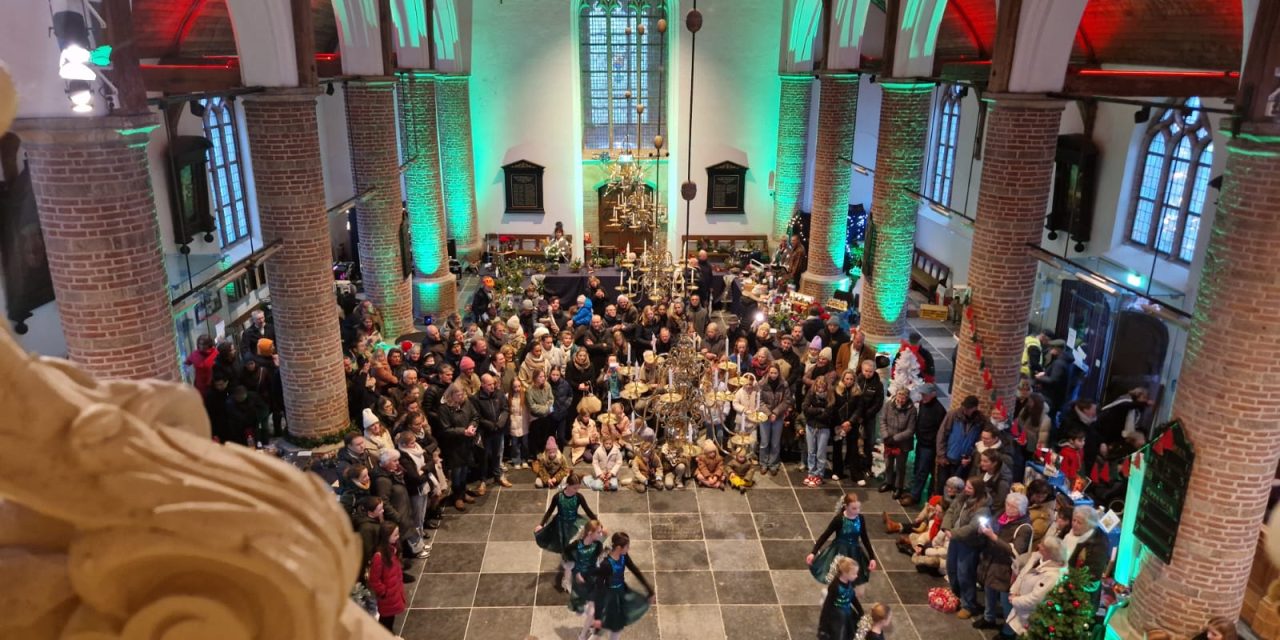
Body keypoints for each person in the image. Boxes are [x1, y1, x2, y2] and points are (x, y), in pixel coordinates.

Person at [974, 492, 1034, 630]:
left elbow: (1015, 551)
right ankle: (989, 618)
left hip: (1006, 568)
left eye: (1013, 507)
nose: (1008, 508)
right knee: (989, 591)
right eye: (1007, 504)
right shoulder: (1001, 516)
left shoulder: (1024, 527)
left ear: (1021, 510)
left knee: (1005, 600)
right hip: (991, 562)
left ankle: (1008, 630)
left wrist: (993, 537)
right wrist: (983, 531)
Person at [585, 531, 655, 640]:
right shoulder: (606, 565)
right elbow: (599, 588)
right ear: (618, 548)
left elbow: (634, 570)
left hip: (621, 592)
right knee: (612, 627)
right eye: (627, 546)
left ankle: (596, 632)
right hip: (610, 597)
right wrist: (598, 616)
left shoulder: (623, 556)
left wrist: (650, 590)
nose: (628, 549)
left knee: (616, 626)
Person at [808, 493, 877, 596]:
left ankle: (847, 594)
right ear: (846, 507)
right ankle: (834, 593)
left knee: (853, 576)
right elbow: (825, 535)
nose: (857, 511)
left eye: (859, 508)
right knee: (837, 575)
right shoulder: (839, 519)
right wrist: (813, 552)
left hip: (854, 552)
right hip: (839, 552)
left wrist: (872, 557)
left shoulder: (860, 518)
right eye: (854, 508)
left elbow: (865, 538)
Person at [1002, 536, 1067, 638]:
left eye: (1042, 546)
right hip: (1020, 612)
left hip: (1030, 619)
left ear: (1049, 553)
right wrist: (1014, 590)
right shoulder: (1036, 558)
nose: (1038, 546)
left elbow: (1035, 600)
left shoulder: (1052, 576)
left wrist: (1015, 600)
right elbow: (1022, 575)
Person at [946, 478, 991, 620]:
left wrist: (953, 533)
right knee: (951, 568)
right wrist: (947, 527)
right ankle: (956, 595)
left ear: (977, 490)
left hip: (969, 544)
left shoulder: (983, 508)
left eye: (970, 488)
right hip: (955, 539)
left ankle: (968, 605)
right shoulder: (962, 498)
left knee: (964, 573)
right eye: (966, 486)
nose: (966, 490)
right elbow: (951, 510)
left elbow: (972, 528)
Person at [535, 472, 599, 557]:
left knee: (579, 540)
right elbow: (550, 511)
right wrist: (541, 524)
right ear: (567, 485)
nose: (576, 491)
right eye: (574, 488)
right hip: (561, 523)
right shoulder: (558, 497)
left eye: (578, 488)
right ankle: (567, 558)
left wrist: (598, 523)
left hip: (574, 521)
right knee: (564, 544)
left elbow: (588, 511)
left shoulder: (579, 497)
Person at [437, 383, 479, 512]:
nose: (461, 397)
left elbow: (475, 416)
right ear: (451, 395)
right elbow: (446, 429)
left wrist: (472, 426)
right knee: (457, 472)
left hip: (466, 443)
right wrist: (463, 431)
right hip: (454, 446)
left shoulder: (466, 403)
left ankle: (463, 492)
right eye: (458, 395)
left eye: (462, 394)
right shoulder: (444, 408)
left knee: (465, 469)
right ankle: (457, 497)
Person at [903, 382, 946, 506]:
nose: (923, 396)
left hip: (929, 446)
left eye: (925, 394)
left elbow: (941, 432)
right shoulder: (923, 404)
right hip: (921, 443)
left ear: (933, 394)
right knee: (917, 468)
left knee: (922, 471)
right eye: (922, 394)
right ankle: (913, 491)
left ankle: (915, 496)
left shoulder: (939, 410)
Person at [936, 395, 985, 492]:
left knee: (957, 488)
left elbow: (979, 442)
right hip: (947, 459)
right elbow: (942, 434)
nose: (965, 410)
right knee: (942, 486)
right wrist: (941, 455)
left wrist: (971, 455)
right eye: (964, 407)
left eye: (968, 408)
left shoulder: (979, 421)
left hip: (962, 463)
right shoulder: (953, 415)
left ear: (975, 408)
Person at [472, 373, 512, 490]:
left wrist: (500, 423)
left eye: (493, 384)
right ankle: (483, 480)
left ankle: (498, 475)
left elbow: (505, 409)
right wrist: (490, 425)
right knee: (484, 457)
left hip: (498, 430)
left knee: (497, 454)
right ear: (482, 384)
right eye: (489, 384)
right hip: (485, 433)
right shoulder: (476, 398)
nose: (492, 387)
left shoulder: (499, 394)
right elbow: (477, 416)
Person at [367, 522, 407, 632]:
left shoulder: (392, 550)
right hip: (388, 596)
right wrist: (384, 592)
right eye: (395, 535)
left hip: (394, 593)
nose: (398, 537)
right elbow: (374, 580)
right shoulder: (379, 557)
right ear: (386, 537)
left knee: (390, 620)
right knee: (385, 622)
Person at [853, 359, 886, 485]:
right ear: (862, 370)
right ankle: (853, 463)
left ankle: (866, 466)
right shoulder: (857, 380)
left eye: (870, 371)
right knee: (854, 440)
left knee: (869, 441)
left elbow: (878, 403)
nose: (868, 374)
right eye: (866, 371)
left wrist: (865, 415)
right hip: (856, 415)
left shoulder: (878, 384)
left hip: (869, 417)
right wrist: (857, 414)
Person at [880, 387, 917, 498]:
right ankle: (888, 482)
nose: (900, 400)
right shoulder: (888, 405)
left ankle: (898, 487)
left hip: (902, 444)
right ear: (896, 396)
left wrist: (895, 438)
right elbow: (883, 420)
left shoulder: (912, 410)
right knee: (888, 464)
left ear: (907, 398)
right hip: (888, 441)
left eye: (903, 398)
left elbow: (910, 430)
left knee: (900, 467)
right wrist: (886, 436)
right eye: (899, 397)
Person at [817, 556, 865, 640]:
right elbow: (827, 605)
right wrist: (823, 625)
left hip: (847, 613)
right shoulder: (835, 586)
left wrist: (861, 612)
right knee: (838, 635)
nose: (856, 576)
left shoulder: (850, 583)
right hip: (837, 615)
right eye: (854, 573)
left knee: (850, 633)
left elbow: (852, 597)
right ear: (845, 573)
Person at [565, 519, 606, 607]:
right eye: (598, 532)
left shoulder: (598, 545)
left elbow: (599, 560)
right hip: (579, 572)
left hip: (592, 572)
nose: (601, 535)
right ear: (590, 533)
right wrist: (576, 571)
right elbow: (566, 552)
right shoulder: (577, 545)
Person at [802, 375, 834, 486]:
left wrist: (813, 412)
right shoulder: (811, 394)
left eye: (823, 387)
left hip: (823, 428)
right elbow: (805, 409)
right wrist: (820, 410)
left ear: (826, 387)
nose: (820, 389)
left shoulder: (830, 397)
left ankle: (819, 474)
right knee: (811, 452)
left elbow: (827, 415)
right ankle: (811, 473)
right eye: (818, 386)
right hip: (810, 426)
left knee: (820, 453)